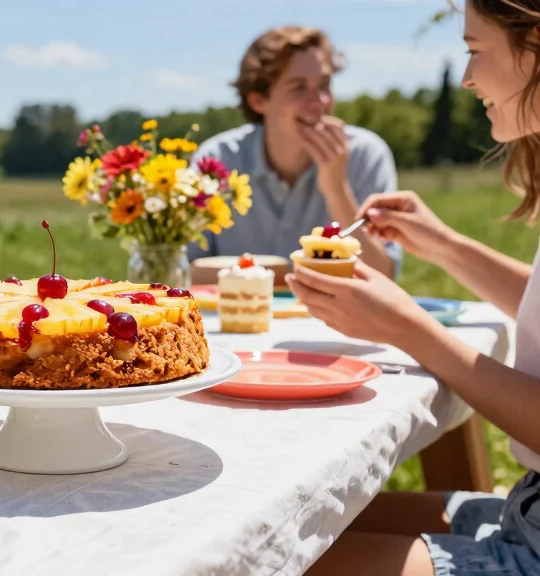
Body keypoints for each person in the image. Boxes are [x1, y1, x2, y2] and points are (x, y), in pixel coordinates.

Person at [296, 2, 540, 575]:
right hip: (526, 509)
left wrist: (406, 327)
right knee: (314, 523)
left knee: (275, 561)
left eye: (476, 49)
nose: (466, 77)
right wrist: (443, 244)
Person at [189, 26, 401, 278]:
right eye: (299, 87)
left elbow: (383, 278)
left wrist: (336, 188)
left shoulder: (366, 155)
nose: (320, 100)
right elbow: (187, 271)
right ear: (258, 101)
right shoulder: (217, 159)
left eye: (324, 84)